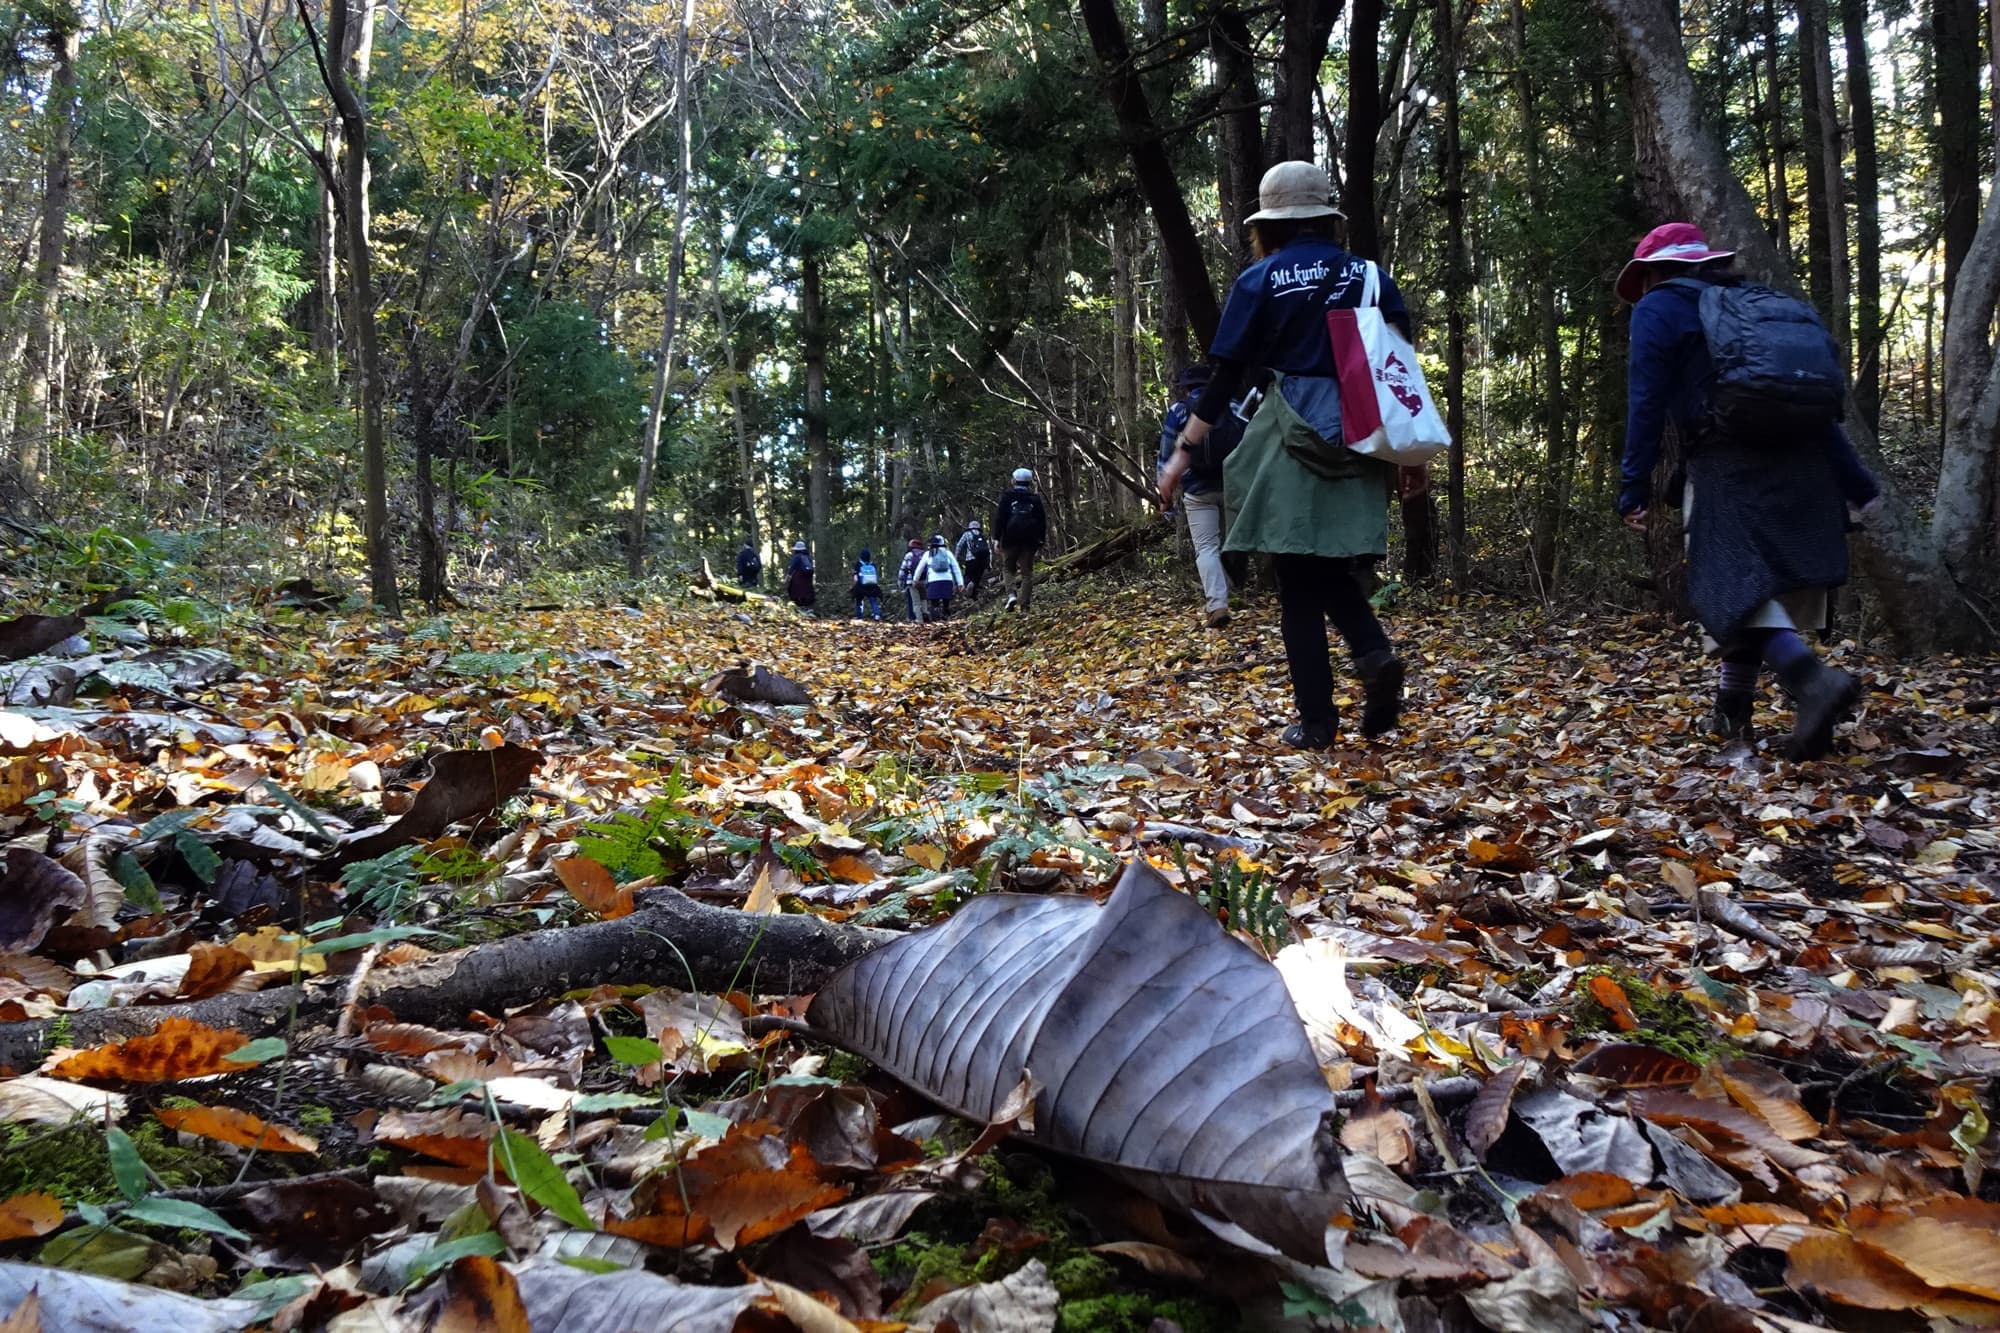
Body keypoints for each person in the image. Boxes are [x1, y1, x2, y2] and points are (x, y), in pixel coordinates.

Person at [1158, 160, 1408, 750]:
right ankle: (1373, 655)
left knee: (1297, 578)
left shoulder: (1261, 280)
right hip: (1361, 436)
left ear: (1268, 224)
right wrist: (1411, 458)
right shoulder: (1371, 277)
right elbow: (1400, 374)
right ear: (1327, 218)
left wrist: (1182, 453)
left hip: (1292, 438)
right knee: (1329, 567)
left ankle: (1319, 721)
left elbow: (1225, 379)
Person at [1614, 222, 1880, 759]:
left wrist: (1633, 485)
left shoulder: (1659, 310)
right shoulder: (1761, 304)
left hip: (1729, 461)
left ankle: (1811, 679)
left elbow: (1646, 401)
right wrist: (1857, 482)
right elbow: (1820, 409)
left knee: (1729, 586)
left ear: (1655, 271)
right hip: (1804, 460)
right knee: (1766, 587)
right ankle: (1738, 711)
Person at [1157, 363, 1244, 628]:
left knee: (1206, 547)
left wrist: (1164, 493)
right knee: (1236, 540)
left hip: (1197, 489)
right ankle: (1237, 579)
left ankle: (1217, 604)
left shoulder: (1179, 411)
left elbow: (1166, 453)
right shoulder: (1235, 406)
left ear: (1186, 386)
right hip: (1234, 484)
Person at [992, 468, 1048, 612]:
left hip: (1010, 539)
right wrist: (1041, 539)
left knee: (1008, 568)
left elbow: (1000, 519)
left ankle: (1011, 595)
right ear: (1030, 482)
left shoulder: (1007, 497)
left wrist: (996, 538)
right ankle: (1025, 606)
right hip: (1029, 541)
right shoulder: (1035, 498)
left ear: (1014, 480)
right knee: (1027, 573)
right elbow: (1042, 520)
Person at [916, 534, 964, 620]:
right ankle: (946, 618)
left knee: (934, 603)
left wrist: (915, 580)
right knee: (946, 602)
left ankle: (936, 621)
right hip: (947, 580)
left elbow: (920, 568)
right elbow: (956, 568)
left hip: (933, 581)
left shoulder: (928, 554)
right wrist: (960, 583)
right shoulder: (948, 553)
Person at [955, 521, 992, 599]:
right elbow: (987, 548)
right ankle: (974, 595)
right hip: (981, 560)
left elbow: (959, 545)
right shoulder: (982, 535)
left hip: (970, 559)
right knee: (977, 577)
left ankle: (969, 589)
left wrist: (956, 557)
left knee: (968, 575)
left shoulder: (967, 534)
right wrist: (989, 562)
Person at [898, 539, 926, 621]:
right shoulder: (925, 554)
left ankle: (918, 620)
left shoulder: (909, 555)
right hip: (924, 580)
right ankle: (926, 617)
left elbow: (903, 569)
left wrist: (900, 581)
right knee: (923, 599)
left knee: (915, 602)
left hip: (911, 581)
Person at [852, 549, 884, 621]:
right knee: (873, 601)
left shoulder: (859, 564)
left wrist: (855, 585)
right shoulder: (872, 564)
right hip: (872, 586)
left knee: (859, 601)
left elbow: (856, 578)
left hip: (861, 586)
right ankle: (876, 615)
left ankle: (859, 616)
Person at [785, 541, 815, 612]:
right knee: (806, 592)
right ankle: (806, 607)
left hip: (799, 578)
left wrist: (787, 579)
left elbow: (792, 568)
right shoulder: (808, 557)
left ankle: (799, 607)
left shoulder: (797, 557)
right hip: (807, 579)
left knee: (795, 591)